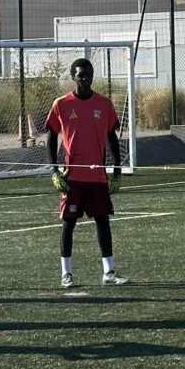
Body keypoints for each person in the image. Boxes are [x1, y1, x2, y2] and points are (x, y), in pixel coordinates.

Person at [46, 57, 126, 287]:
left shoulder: (104, 104)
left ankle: (109, 272)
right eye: (81, 75)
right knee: (69, 224)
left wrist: (117, 170)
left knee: (103, 221)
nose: (86, 79)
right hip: (72, 177)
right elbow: (51, 138)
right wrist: (54, 171)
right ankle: (66, 274)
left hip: (97, 175)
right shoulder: (61, 104)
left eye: (89, 75)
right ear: (73, 77)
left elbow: (112, 137)